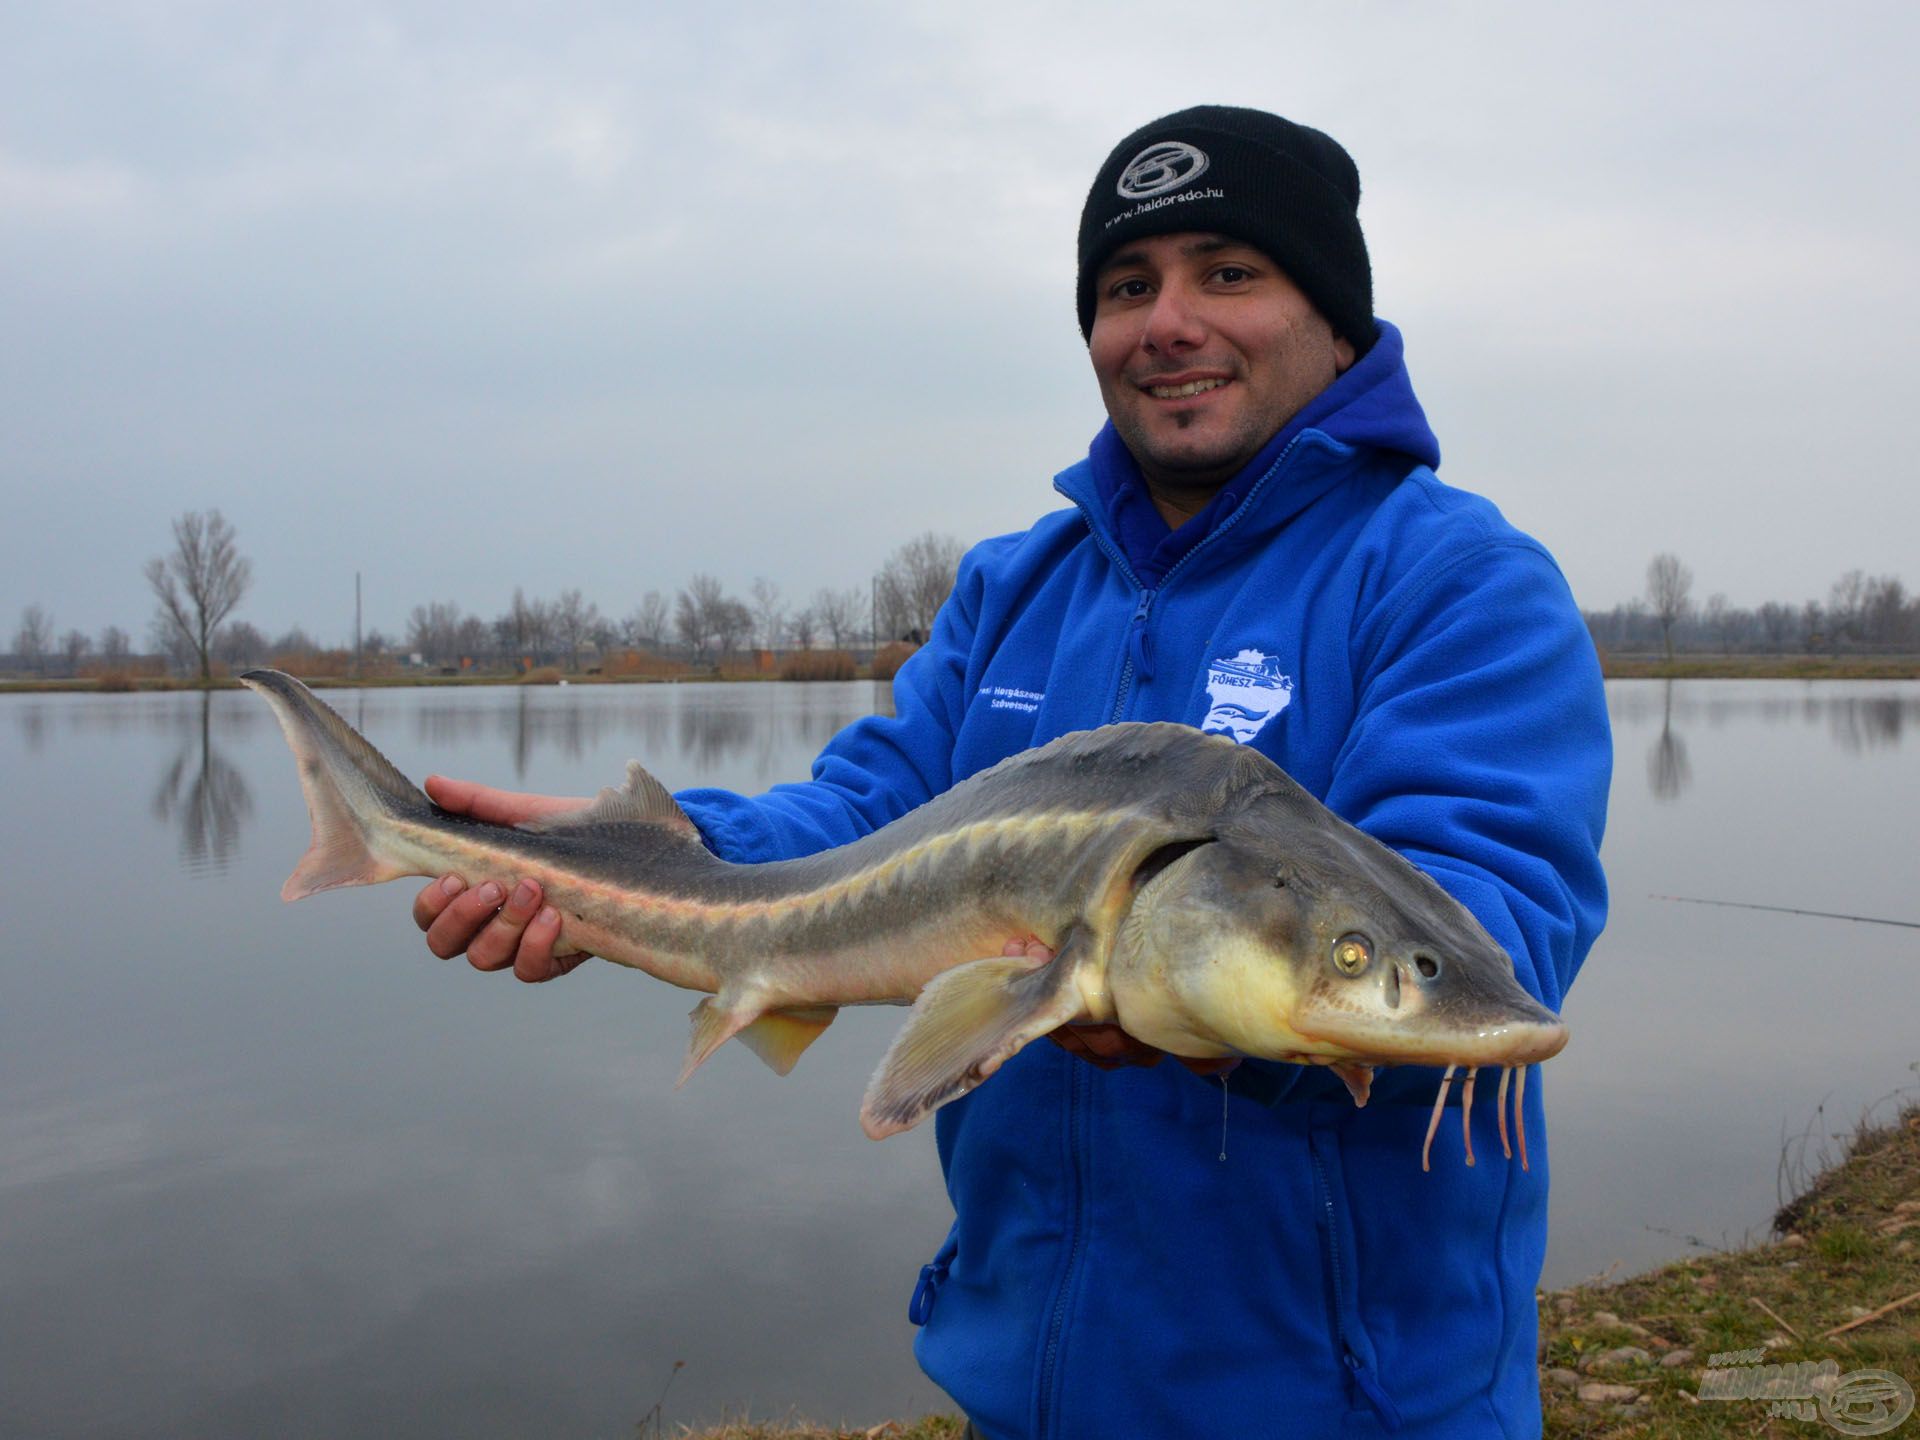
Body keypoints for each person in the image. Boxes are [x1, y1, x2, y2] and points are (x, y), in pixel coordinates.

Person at [413, 106, 1611, 1439]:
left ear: (1335, 318)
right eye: (1123, 287)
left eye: (1229, 273)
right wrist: (650, 853)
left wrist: (1202, 1013)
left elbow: (1495, 922)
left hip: (1347, 1403)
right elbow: (868, 813)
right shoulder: (1015, 587)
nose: (1165, 323)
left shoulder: (1451, 579)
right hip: (1028, 1389)